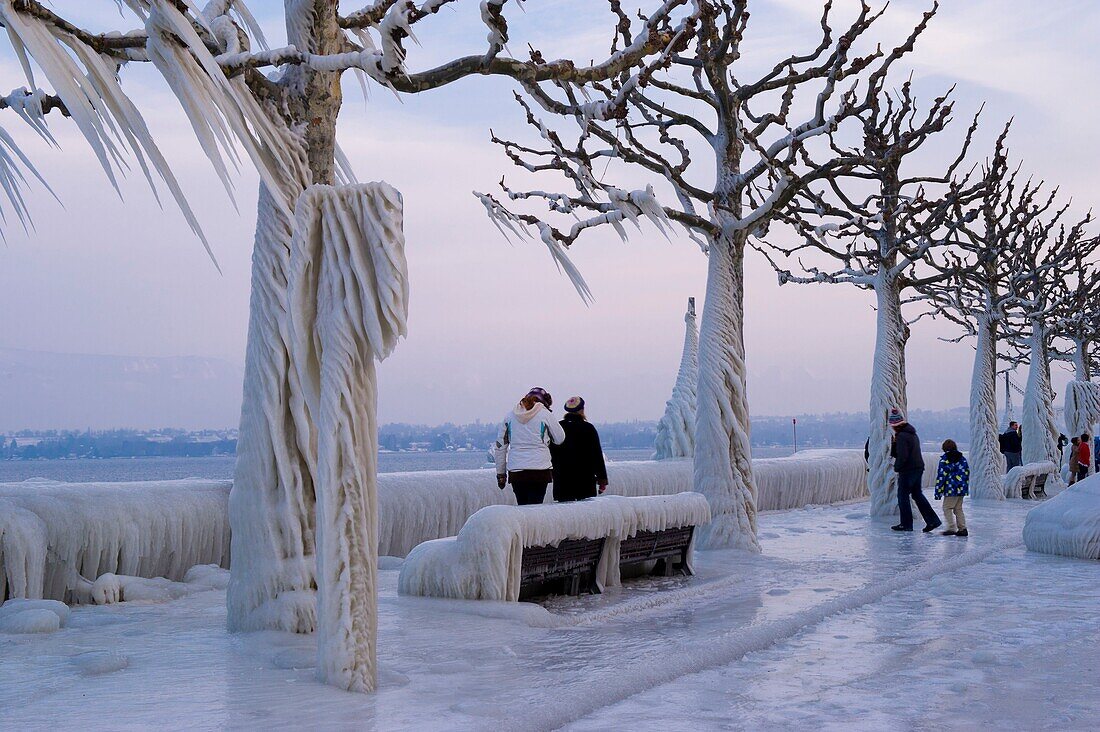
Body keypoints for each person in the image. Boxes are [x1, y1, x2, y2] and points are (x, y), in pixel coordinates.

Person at [494, 387, 565, 505]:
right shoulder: (545, 414)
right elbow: (560, 439)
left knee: (522, 506)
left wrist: (501, 475)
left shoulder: (510, 416)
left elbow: (500, 446)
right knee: (535, 507)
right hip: (540, 470)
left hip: (517, 471)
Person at [888, 409, 942, 533]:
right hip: (918, 468)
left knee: (903, 496)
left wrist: (897, 467)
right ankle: (932, 520)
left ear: (895, 425)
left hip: (908, 470)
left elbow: (902, 455)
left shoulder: (902, 436)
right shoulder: (912, 434)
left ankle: (906, 524)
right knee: (917, 494)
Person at [549, 396, 609, 502]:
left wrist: (551, 472)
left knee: (565, 511)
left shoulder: (558, 427)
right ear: (582, 410)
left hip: (563, 479)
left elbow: (551, 452)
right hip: (585, 479)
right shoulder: (588, 428)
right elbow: (596, 455)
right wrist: (602, 479)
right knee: (585, 512)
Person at [934, 439, 969, 537]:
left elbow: (941, 477)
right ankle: (962, 528)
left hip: (951, 488)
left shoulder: (945, 460)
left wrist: (938, 492)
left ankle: (951, 528)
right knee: (958, 508)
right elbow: (966, 473)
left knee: (947, 507)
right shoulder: (962, 459)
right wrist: (964, 487)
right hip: (961, 488)